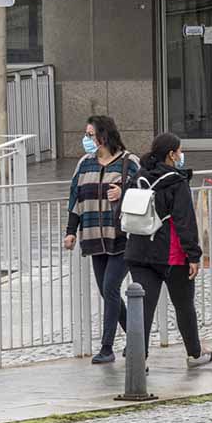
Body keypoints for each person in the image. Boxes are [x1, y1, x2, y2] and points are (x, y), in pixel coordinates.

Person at [125, 132, 212, 367]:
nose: (180, 155)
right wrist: (194, 255)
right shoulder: (176, 182)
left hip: (139, 250)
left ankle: (137, 358)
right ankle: (195, 354)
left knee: (142, 308)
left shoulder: (138, 177)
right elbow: (184, 221)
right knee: (184, 306)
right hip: (172, 255)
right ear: (171, 154)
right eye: (179, 151)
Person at [63, 115, 140, 364]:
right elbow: (75, 199)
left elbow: (146, 190)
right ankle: (137, 338)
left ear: (103, 135)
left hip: (121, 237)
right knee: (108, 293)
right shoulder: (84, 164)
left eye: (90, 134)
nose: (86, 139)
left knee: (110, 288)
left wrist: (124, 191)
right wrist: (71, 231)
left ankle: (107, 347)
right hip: (94, 239)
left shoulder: (129, 162)